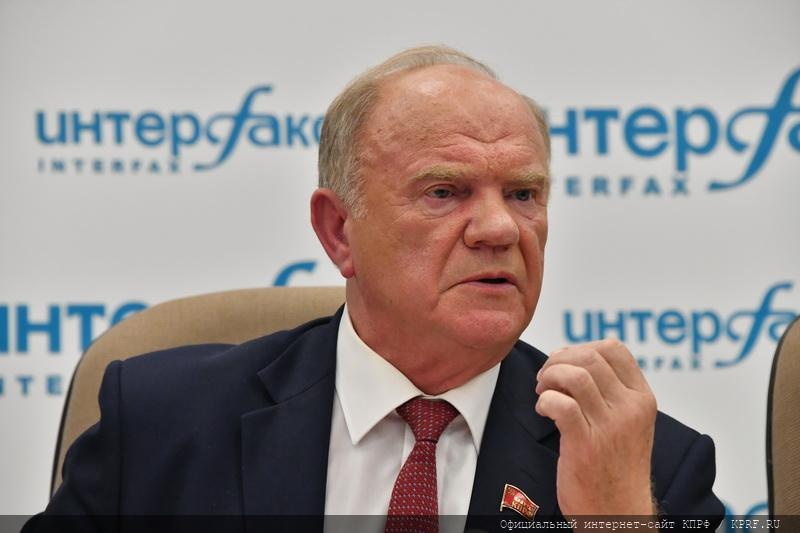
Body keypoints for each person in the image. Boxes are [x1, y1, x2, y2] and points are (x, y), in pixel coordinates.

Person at [27, 45, 723, 532]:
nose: (499, 228)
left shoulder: (650, 467)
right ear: (339, 231)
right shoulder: (163, 423)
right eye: (445, 191)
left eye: (523, 193)